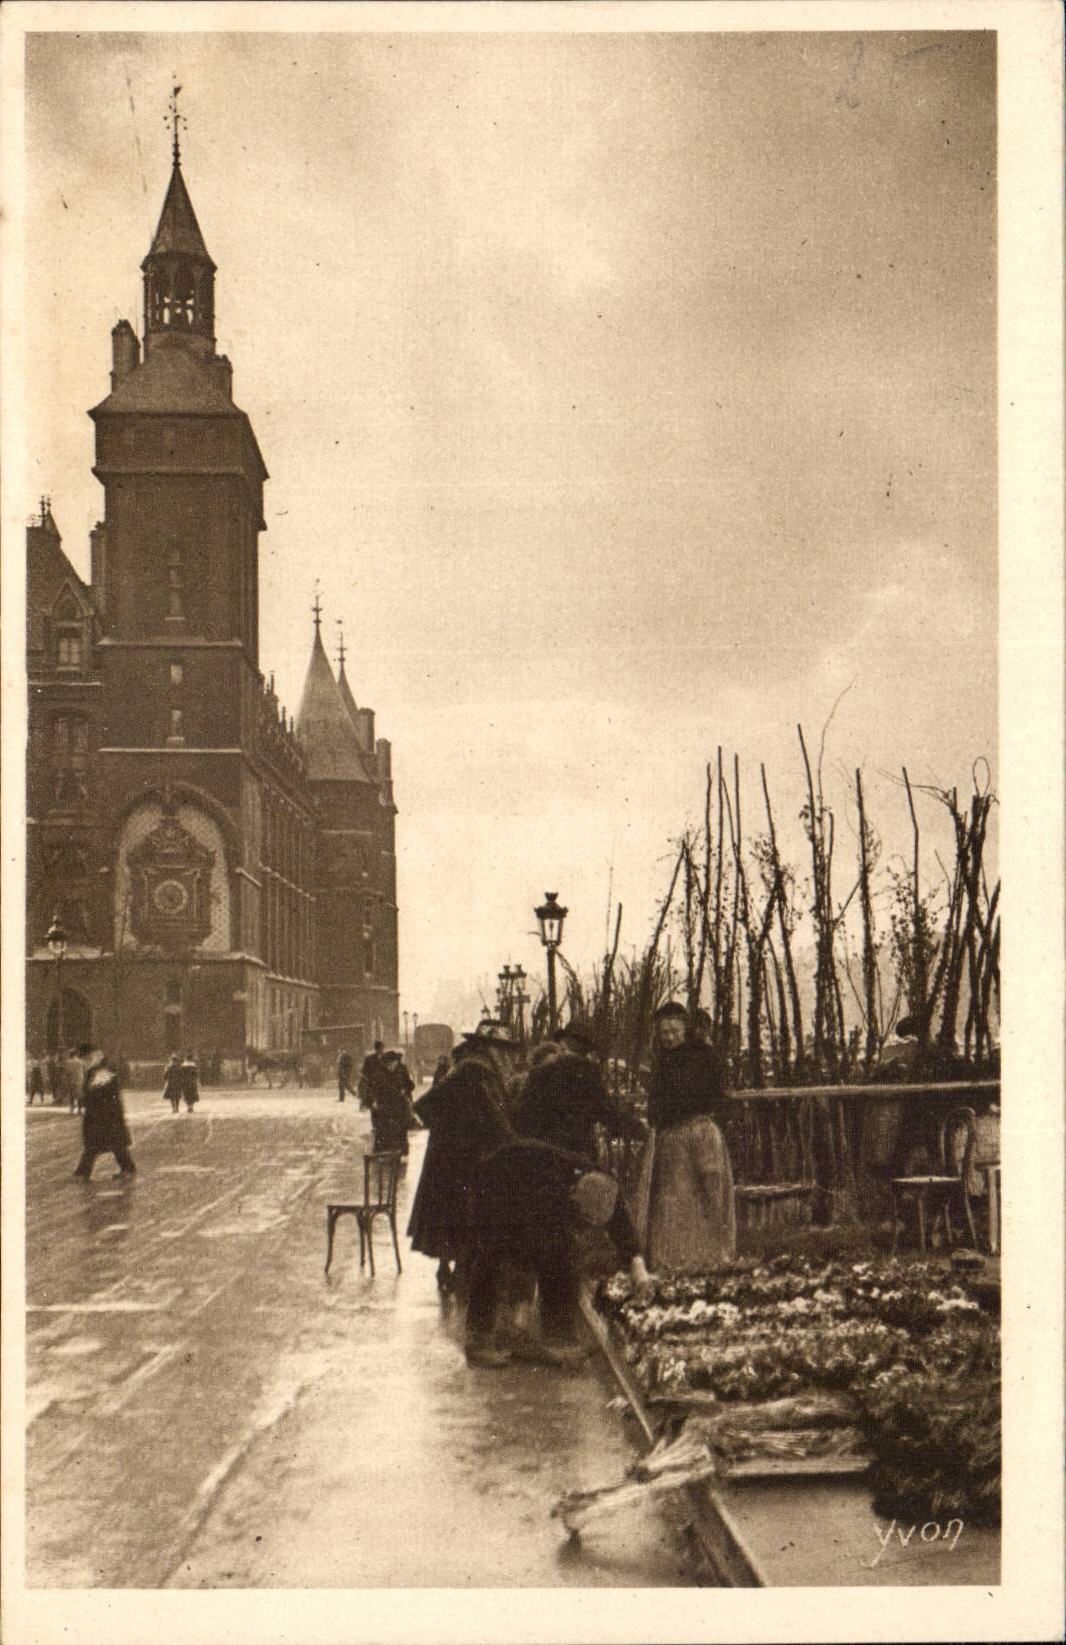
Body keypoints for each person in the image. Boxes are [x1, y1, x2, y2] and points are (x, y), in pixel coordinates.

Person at [465, 1136, 651, 1367]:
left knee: (558, 1253)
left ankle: (552, 1335)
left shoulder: (605, 1189)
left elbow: (621, 1227)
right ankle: (479, 1340)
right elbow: (541, 1255)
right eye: (585, 1225)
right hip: (497, 1182)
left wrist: (638, 1267)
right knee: (497, 1254)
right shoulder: (550, 1196)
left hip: (526, 1174)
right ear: (575, 1204)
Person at [406, 1022, 518, 1294]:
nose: (505, 1056)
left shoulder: (474, 1069)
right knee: (458, 1211)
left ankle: (452, 1267)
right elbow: (428, 1106)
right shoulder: (475, 1071)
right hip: (458, 1156)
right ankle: (455, 1271)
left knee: (452, 1211)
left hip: (453, 1154)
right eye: (501, 1049)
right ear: (488, 1048)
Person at [633, 1001, 736, 1272]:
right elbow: (657, 1103)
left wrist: (705, 1117)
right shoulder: (662, 1062)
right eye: (663, 1032)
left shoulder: (705, 1055)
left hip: (700, 1133)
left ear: (685, 1029)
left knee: (707, 1193)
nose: (669, 1037)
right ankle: (675, 1258)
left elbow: (718, 1094)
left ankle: (711, 1255)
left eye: (674, 1031)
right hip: (672, 1139)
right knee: (674, 1198)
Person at [514, 1021, 641, 1164]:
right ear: (586, 1049)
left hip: (543, 1154)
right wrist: (640, 1130)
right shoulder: (588, 1073)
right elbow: (608, 1113)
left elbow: (522, 1113)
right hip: (578, 1155)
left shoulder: (541, 1071)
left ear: (564, 1043)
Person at [73, 1043, 136, 1178]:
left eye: (86, 1059)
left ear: (93, 1056)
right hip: (106, 1115)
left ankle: (83, 1172)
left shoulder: (101, 1072)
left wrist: (86, 1097)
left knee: (98, 1145)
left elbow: (94, 1094)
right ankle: (127, 1168)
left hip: (103, 1116)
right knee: (112, 1144)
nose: (84, 1063)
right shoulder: (100, 1070)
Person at [371, 1051, 415, 1156]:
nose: (393, 1066)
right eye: (391, 1064)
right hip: (384, 1104)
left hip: (398, 1104)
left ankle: (401, 1151)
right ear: (386, 1064)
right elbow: (373, 1089)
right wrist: (375, 1100)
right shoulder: (379, 1074)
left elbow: (410, 1084)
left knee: (400, 1128)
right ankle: (381, 1152)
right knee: (383, 1127)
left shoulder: (400, 1071)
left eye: (395, 1064)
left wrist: (405, 1089)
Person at [358, 1041, 388, 1111]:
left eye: (382, 1048)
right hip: (372, 1080)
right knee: (368, 1093)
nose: (381, 1050)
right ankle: (364, 1104)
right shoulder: (369, 1058)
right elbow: (364, 1070)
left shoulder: (386, 1058)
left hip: (383, 1080)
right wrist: (368, 1077)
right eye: (379, 1049)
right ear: (376, 1049)